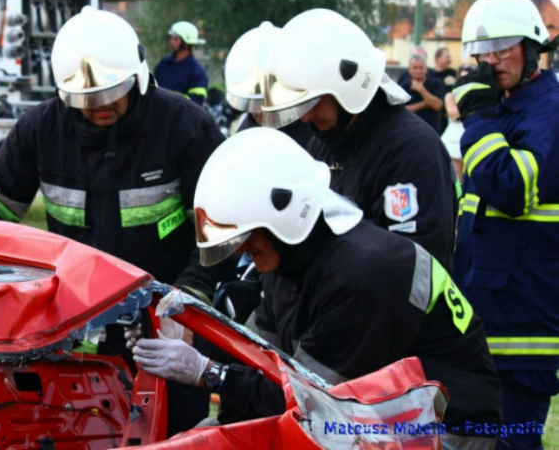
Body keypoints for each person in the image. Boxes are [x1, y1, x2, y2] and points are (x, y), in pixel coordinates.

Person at [0, 6, 225, 435]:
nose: (99, 106)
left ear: (139, 76)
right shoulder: (42, 128)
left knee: (175, 433)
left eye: (111, 93)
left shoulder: (184, 127)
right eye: (84, 99)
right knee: (77, 430)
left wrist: (187, 302)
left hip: (166, 323)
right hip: (78, 324)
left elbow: (220, 230)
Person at [130, 128, 502, 449]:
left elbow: (308, 400)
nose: (241, 249)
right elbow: (262, 357)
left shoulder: (363, 275)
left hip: (449, 426)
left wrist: (209, 374)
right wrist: (201, 354)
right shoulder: (292, 258)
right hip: (384, 408)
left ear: (282, 214)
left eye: (245, 235)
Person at [260, 9, 458, 271]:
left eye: (313, 101)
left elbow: (415, 270)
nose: (305, 117)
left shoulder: (413, 152)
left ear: (351, 87)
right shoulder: (323, 143)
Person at [453, 0, 559, 450]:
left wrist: (476, 122)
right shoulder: (506, 109)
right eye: (481, 52)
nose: (490, 61)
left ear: (532, 49)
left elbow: (511, 188)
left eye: (501, 49)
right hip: (486, 322)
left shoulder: (549, 111)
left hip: (522, 332)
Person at [226, 21, 312, 147]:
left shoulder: (309, 130)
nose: (262, 114)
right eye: (255, 106)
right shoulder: (245, 134)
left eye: (269, 106)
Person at [154, 21, 209, 105]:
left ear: (186, 44)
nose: (171, 42)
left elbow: (195, 105)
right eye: (171, 38)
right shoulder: (164, 64)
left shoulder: (197, 72)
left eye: (175, 39)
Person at [441, 64, 476, 182]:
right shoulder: (450, 96)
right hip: (453, 141)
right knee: (455, 182)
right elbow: (454, 114)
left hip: (473, 138)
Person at [400, 54, 446, 135]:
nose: (418, 71)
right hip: (409, 130)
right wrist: (425, 104)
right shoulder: (403, 87)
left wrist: (421, 90)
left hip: (432, 130)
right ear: (409, 70)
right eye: (415, 68)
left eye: (421, 67)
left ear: (426, 69)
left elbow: (438, 106)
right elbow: (401, 111)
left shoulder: (436, 83)